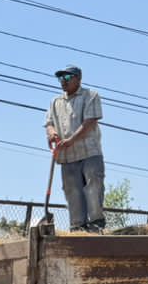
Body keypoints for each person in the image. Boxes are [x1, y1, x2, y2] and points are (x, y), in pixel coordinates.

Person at [45, 64, 105, 233]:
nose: (63, 81)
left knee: (93, 184)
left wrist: (71, 139)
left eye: (67, 77)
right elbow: (49, 123)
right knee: (72, 190)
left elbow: (90, 122)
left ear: (78, 78)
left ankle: (96, 222)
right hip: (67, 155)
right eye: (60, 78)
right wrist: (52, 134)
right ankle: (78, 226)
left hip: (89, 152)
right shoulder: (55, 102)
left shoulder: (90, 96)